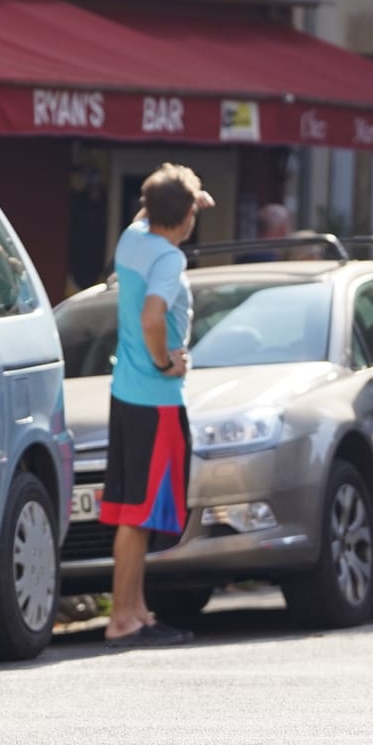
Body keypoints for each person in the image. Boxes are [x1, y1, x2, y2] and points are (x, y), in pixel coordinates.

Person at [100, 163, 214, 648]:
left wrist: (188, 198)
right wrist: (166, 360)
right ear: (186, 215)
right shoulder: (168, 259)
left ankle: (137, 611)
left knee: (132, 510)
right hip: (157, 396)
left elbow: (153, 211)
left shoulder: (132, 241)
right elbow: (153, 316)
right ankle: (123, 619)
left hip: (126, 392)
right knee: (140, 513)